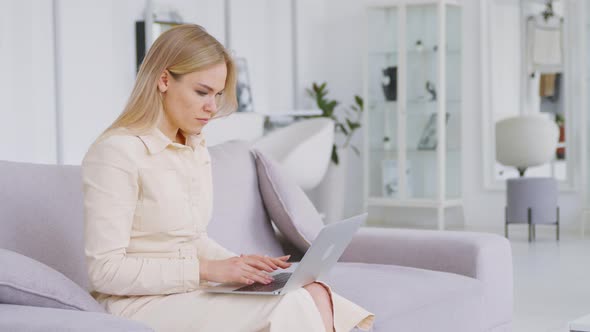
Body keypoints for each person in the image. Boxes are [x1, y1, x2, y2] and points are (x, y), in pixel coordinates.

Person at [82, 24, 374, 332]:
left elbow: (191, 239)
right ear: (164, 79)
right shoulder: (117, 152)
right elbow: (104, 271)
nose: (211, 107)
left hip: (189, 290)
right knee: (293, 304)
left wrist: (243, 265)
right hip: (140, 303)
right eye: (201, 92)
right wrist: (209, 270)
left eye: (218, 95)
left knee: (313, 291)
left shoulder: (193, 146)